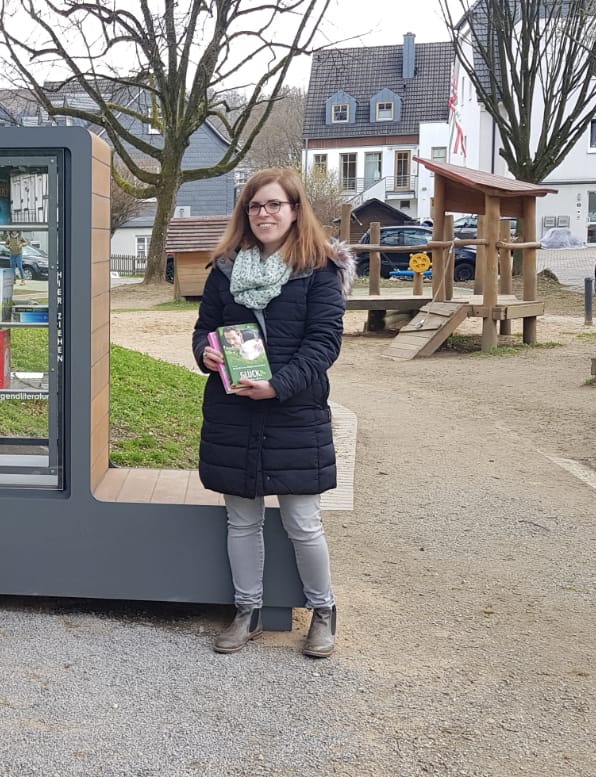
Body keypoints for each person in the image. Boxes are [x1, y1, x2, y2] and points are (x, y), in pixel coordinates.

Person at [192, 167, 354, 658]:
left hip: (293, 411)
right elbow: (205, 328)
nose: (263, 214)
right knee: (240, 520)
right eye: (255, 206)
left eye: (274, 205)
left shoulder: (320, 270)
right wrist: (205, 352)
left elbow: (324, 343)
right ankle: (247, 610)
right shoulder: (224, 269)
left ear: (294, 210)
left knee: (303, 521)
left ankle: (323, 611)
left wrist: (278, 386)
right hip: (235, 410)